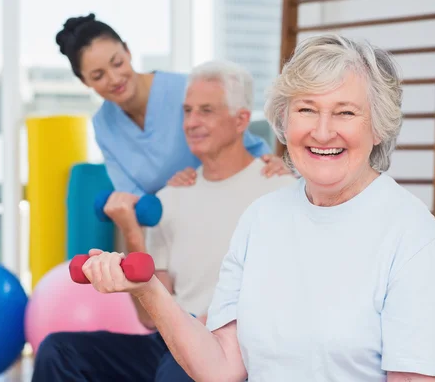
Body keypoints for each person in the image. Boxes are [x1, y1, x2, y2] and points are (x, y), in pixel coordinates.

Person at [80, 34, 435, 382]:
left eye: (345, 112)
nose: (323, 131)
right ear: (284, 120)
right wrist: (148, 289)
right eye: (307, 110)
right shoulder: (261, 218)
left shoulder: (414, 240)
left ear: (378, 127)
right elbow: (222, 367)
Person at [31, 60, 298, 382]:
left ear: (241, 119)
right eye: (187, 111)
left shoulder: (279, 190)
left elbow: (294, 293)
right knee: (59, 351)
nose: (192, 122)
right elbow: (147, 318)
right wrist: (131, 230)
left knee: (178, 371)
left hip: (235, 346)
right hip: (171, 338)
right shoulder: (171, 197)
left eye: (206, 111)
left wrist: (219, 322)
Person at [54, 13, 290, 254]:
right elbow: (134, 198)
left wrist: (270, 163)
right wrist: (167, 194)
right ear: (84, 82)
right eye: (98, 75)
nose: (114, 79)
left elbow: (243, 143)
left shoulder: (187, 91)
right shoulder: (104, 125)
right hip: (173, 230)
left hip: (226, 213)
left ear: (127, 51)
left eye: (117, 63)